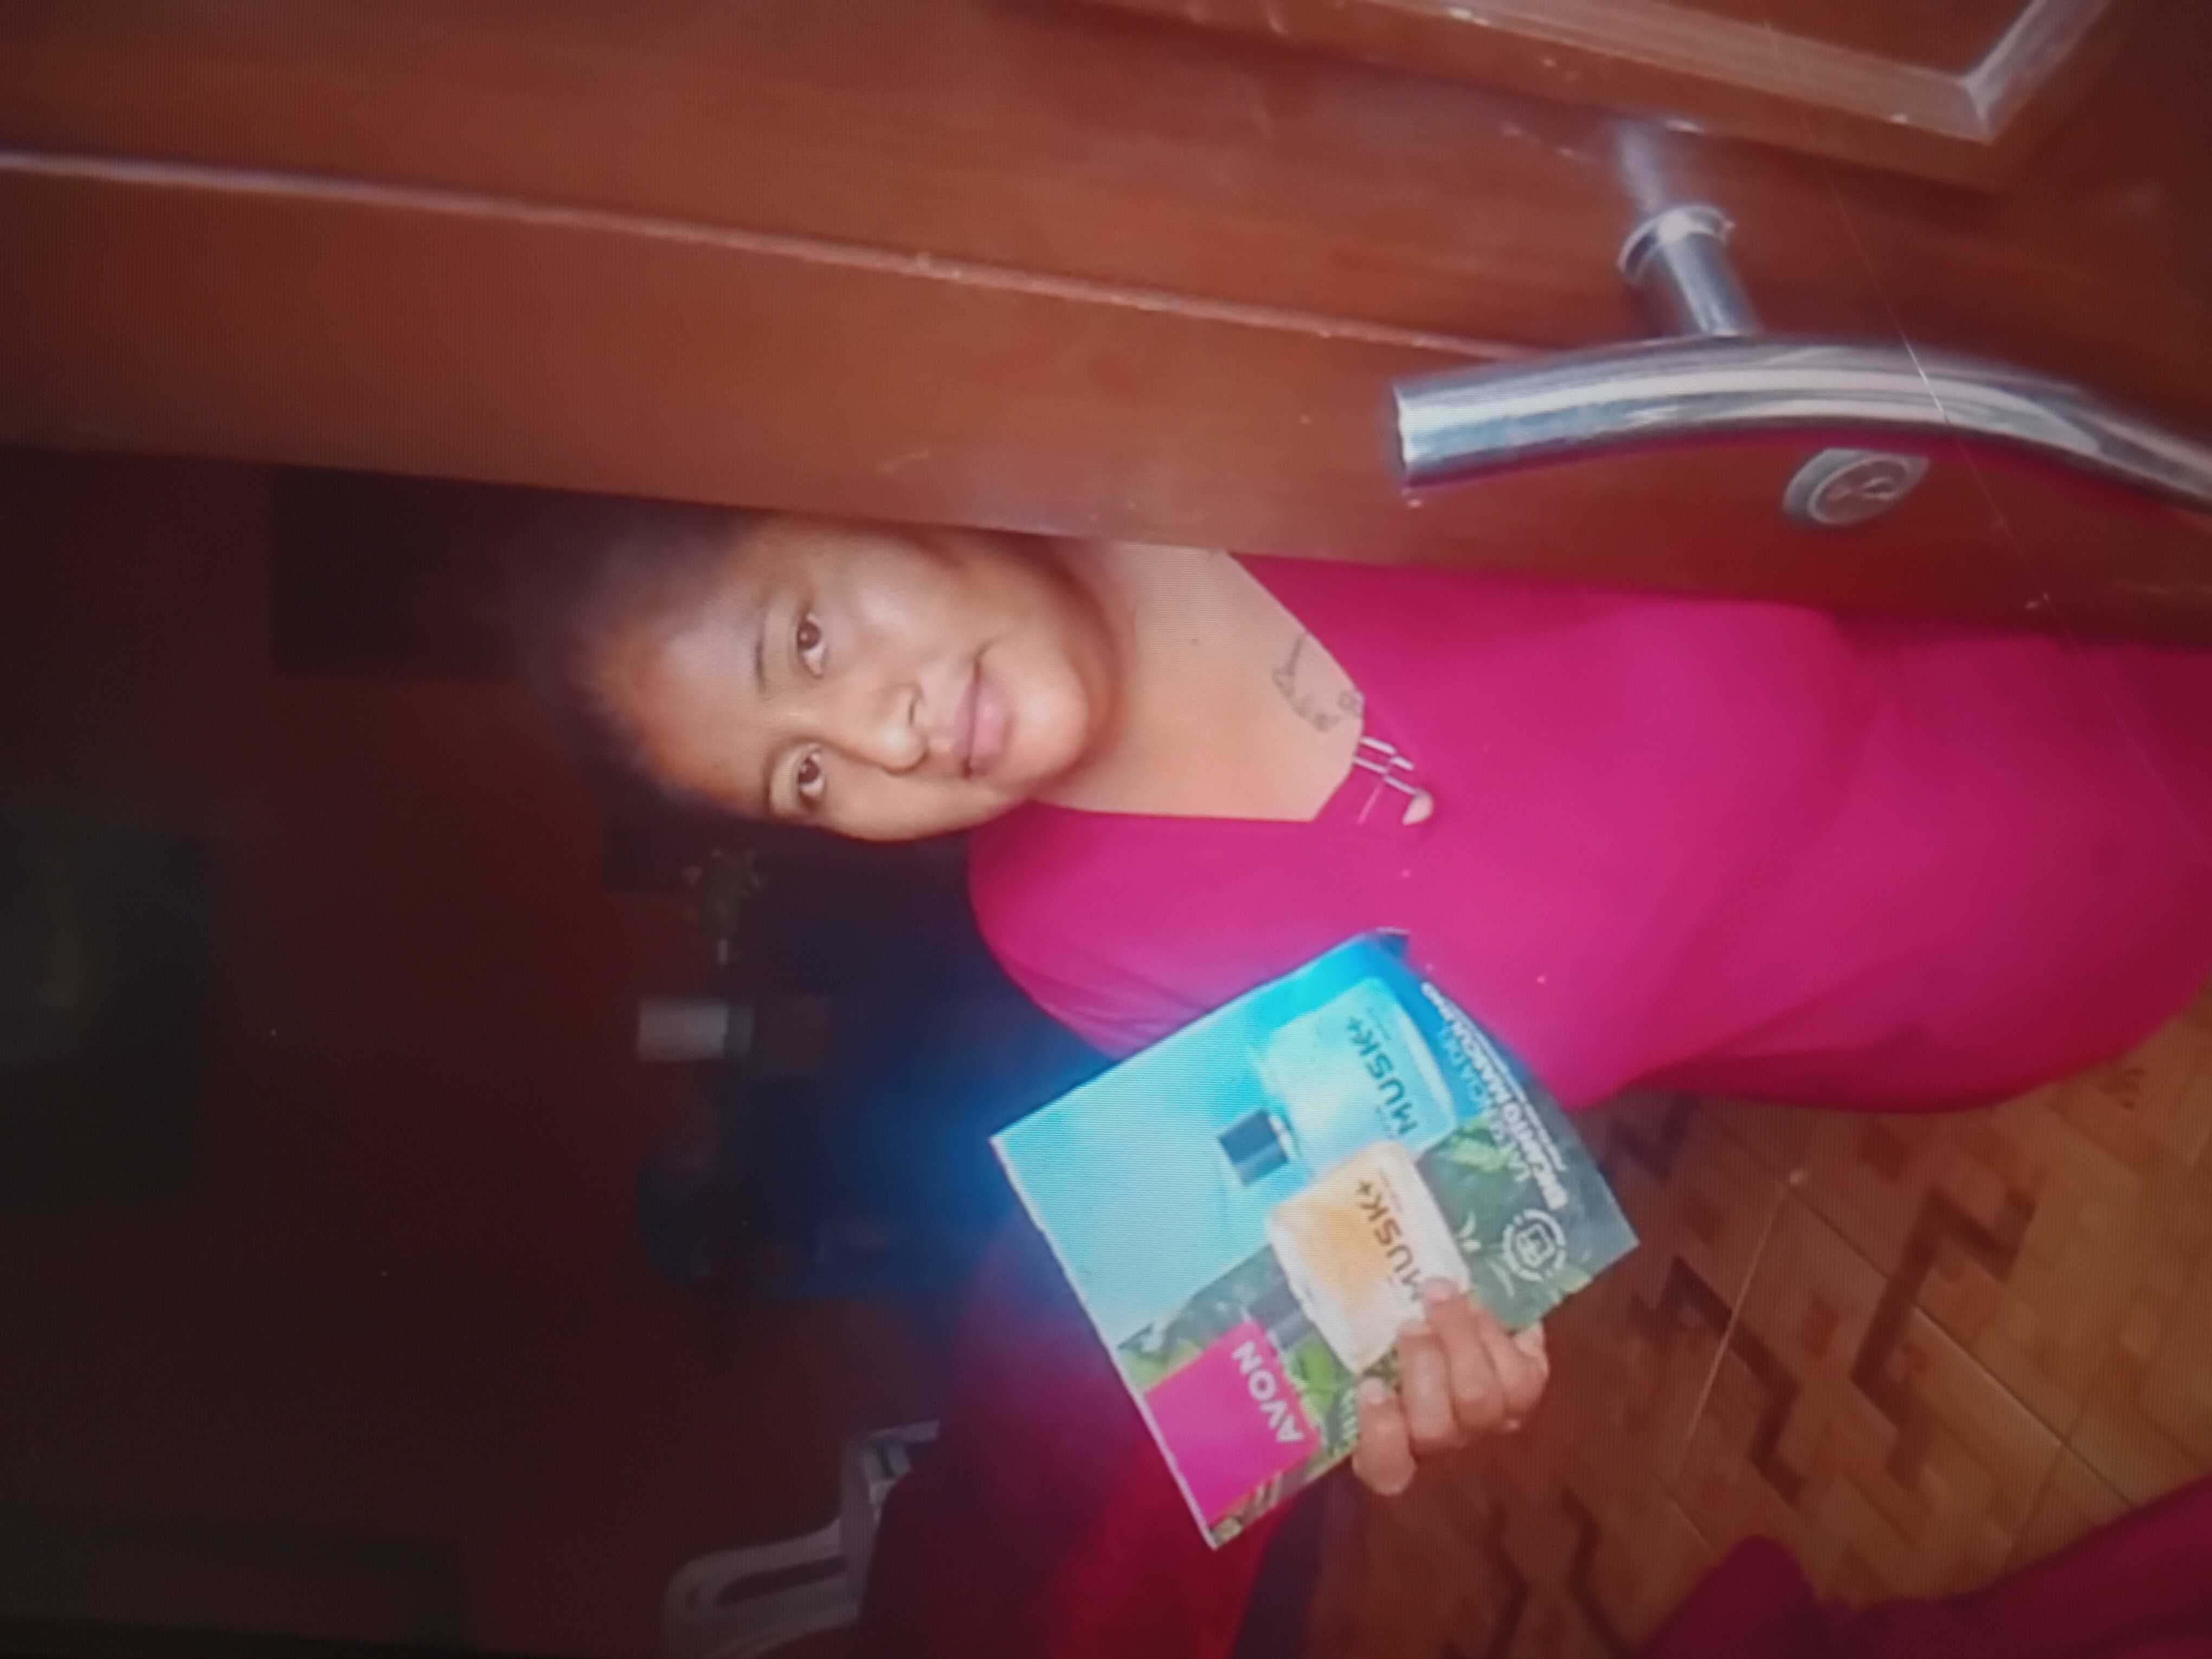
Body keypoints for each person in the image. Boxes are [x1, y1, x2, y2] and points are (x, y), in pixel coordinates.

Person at [531, 506, 2212, 1657]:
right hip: (1961, 999)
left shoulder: (1273, 411)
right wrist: (1428, 1331)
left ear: (865, 481)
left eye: (807, 637)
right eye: (805, 778)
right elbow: (1401, 1174)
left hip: (2116, 595)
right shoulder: (1059, 930)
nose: (882, 740)